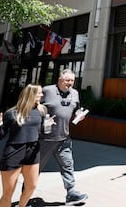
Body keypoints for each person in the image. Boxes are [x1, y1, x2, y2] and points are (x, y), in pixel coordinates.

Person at [0, 84, 48, 207]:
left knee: (31, 186)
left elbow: (42, 133)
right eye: (39, 93)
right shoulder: (12, 113)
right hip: (14, 151)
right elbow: (0, 136)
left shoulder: (42, 111)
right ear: (30, 94)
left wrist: (47, 127)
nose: (42, 95)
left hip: (33, 151)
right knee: (8, 192)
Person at [40, 68, 88, 205]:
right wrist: (42, 121)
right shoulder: (47, 91)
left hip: (64, 138)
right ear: (60, 79)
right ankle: (25, 195)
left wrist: (80, 114)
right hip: (46, 138)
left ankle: (71, 193)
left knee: (68, 165)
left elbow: (76, 109)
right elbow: (34, 107)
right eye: (67, 80)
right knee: (35, 167)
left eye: (72, 80)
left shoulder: (75, 93)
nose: (70, 83)